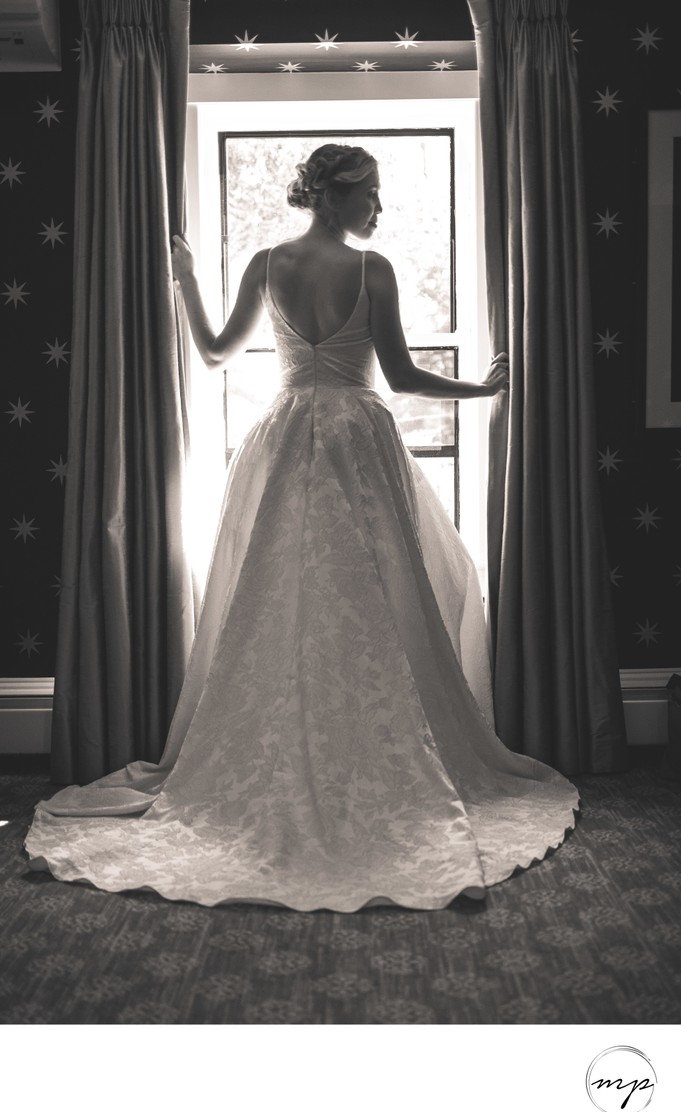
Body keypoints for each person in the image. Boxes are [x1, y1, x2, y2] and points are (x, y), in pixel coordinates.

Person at [24, 144, 579, 912]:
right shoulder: (371, 269)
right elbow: (406, 376)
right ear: (339, 196)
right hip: (357, 438)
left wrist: (185, 283)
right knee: (372, 601)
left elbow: (216, 352)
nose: (378, 211)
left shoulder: (265, 262)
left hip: (283, 436)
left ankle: (306, 750)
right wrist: (481, 389)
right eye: (372, 195)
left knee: (280, 604)